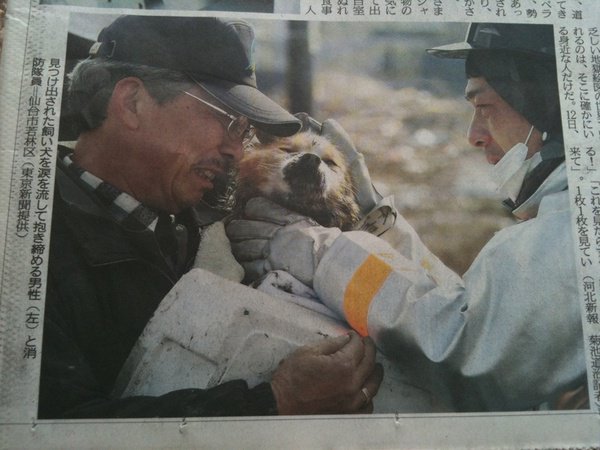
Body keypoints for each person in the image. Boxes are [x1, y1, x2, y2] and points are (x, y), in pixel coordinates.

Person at [227, 22, 588, 411]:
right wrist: (380, 227)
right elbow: (464, 309)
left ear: (546, 106)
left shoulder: (567, 235)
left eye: (484, 107)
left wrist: (317, 251)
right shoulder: (562, 222)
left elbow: (458, 352)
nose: (474, 135)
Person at [39, 15, 383, 419]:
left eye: (244, 131)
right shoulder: (30, 247)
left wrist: (375, 219)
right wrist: (273, 403)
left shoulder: (212, 218)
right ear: (131, 103)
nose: (237, 152)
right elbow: (52, 428)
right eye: (226, 119)